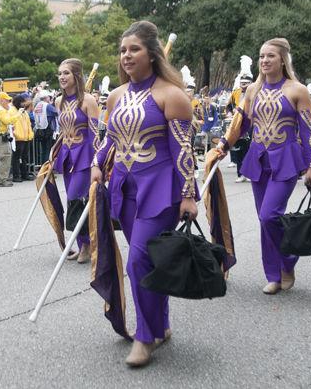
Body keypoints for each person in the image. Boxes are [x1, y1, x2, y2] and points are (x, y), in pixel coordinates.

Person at [91, 22, 199, 367]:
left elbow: (184, 149)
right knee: (148, 260)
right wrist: (97, 162)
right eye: (122, 50)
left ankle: (145, 336)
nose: (126, 56)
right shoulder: (115, 97)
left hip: (161, 187)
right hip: (124, 186)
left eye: (134, 49)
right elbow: (110, 139)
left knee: (138, 260)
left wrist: (188, 195)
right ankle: (161, 322)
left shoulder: (172, 95)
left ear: (151, 54)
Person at [217, 37, 311, 295]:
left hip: (286, 160)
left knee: (269, 215)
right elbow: (241, 125)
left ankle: (288, 260)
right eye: (261, 56)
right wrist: (224, 146)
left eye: (270, 56)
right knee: (264, 221)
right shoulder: (252, 91)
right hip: (258, 159)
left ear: (282, 59)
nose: (264, 60)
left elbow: (307, 132)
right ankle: (274, 275)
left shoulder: (298, 90)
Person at [54, 59, 100, 263]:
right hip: (67, 156)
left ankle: (88, 245)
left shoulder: (88, 100)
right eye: (60, 73)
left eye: (66, 73)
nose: (62, 77)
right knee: (71, 201)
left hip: (85, 157)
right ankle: (83, 244)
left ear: (76, 76)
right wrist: (54, 153)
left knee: (77, 199)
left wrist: (97, 162)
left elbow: (95, 134)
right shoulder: (58, 102)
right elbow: (62, 133)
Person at [226, 56, 253, 182]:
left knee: (250, 149)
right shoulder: (235, 93)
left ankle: (249, 173)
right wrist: (230, 114)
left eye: (246, 83)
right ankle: (240, 174)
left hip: (252, 124)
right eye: (242, 83)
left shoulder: (255, 92)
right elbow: (228, 107)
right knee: (238, 148)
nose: (244, 86)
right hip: (238, 123)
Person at [0, 92, 24, 187]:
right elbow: (8, 121)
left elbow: (6, 122)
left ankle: (2, 179)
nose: (8, 102)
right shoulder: (1, 110)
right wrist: (19, 113)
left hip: (1, 136)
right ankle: (2, 180)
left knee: (5, 157)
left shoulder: (0, 109)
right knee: (5, 158)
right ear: (1, 100)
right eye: (6, 100)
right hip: (0, 136)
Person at [33, 91, 58, 165]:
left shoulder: (37, 105)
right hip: (48, 129)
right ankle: (47, 166)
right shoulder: (47, 105)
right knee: (48, 149)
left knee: (43, 150)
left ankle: (43, 165)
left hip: (39, 129)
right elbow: (56, 112)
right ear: (46, 97)